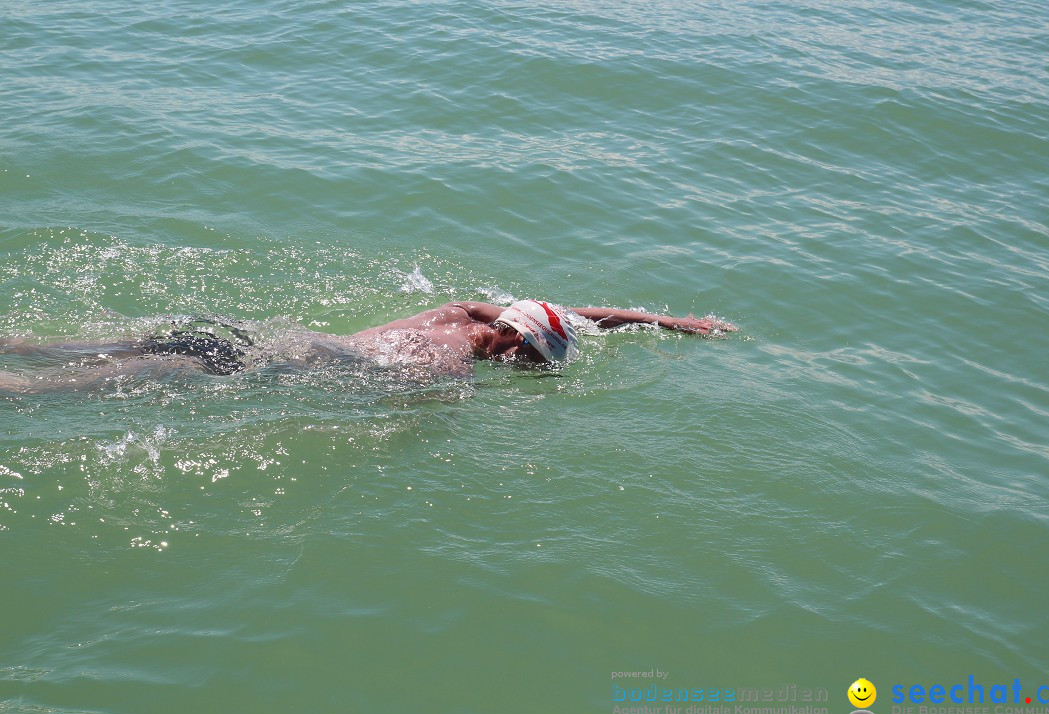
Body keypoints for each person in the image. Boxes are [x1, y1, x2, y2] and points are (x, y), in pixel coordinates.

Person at [0, 300, 737, 392]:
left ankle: (17, 346)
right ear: (512, 339)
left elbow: (578, 311)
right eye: (531, 357)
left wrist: (670, 324)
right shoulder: (449, 367)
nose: (524, 367)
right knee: (125, 376)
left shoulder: (465, 310)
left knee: (90, 347)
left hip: (251, 335)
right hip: (254, 365)